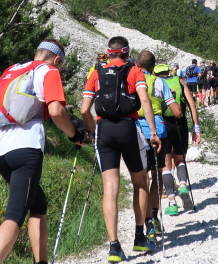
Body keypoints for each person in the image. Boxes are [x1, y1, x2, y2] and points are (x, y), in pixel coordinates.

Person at [0, 39, 89, 264]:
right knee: (14, 215)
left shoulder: (10, 71)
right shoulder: (49, 71)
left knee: (38, 203)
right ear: (57, 59)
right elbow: (56, 111)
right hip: (26, 146)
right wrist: (75, 135)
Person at [81, 37, 161, 263]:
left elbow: (85, 109)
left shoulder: (96, 72)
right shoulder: (135, 71)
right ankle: (139, 237)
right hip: (128, 128)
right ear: (127, 52)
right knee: (140, 182)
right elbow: (145, 101)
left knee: (110, 188)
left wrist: (94, 132)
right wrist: (153, 133)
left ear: (108, 53)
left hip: (104, 130)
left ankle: (114, 247)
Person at [135, 55, 181, 243]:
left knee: (142, 178)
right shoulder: (159, 82)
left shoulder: (132, 79)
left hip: (136, 130)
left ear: (137, 65)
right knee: (157, 174)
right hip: (158, 131)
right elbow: (176, 111)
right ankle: (154, 214)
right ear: (153, 67)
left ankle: (147, 223)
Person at [157, 63, 201, 216]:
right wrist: (196, 129)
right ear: (168, 70)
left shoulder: (155, 83)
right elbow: (192, 105)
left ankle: (172, 202)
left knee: (166, 165)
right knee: (180, 160)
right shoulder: (179, 81)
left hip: (163, 125)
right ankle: (182, 186)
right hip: (180, 124)